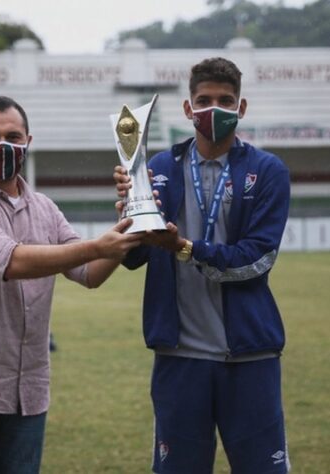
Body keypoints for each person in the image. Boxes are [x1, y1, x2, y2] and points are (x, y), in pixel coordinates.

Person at [0, 95, 142, 474]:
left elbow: (89, 273)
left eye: (13, 135)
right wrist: (97, 245)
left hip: (28, 389)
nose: (2, 145)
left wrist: (130, 223)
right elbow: (11, 260)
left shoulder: (44, 207)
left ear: (28, 141)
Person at [115, 57, 291, 473]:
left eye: (226, 101)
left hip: (249, 356)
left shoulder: (267, 171)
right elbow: (133, 258)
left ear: (241, 108)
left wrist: (186, 248)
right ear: (188, 109)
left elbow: (258, 259)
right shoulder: (156, 167)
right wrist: (128, 213)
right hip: (180, 356)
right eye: (204, 100)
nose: (215, 109)